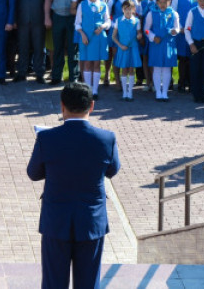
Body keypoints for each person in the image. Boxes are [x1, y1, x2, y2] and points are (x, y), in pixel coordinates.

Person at [27, 82, 121, 289]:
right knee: (88, 283)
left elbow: (33, 173)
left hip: (56, 219)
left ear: (62, 106)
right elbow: (112, 170)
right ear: (92, 106)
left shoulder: (46, 138)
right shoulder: (107, 139)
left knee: (53, 283)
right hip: (91, 220)